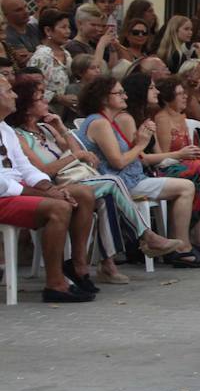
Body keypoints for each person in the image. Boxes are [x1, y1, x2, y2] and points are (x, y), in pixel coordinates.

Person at [8, 73, 182, 285]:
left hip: (77, 179)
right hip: (53, 185)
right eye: (40, 97)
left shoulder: (47, 128)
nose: (46, 101)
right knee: (112, 182)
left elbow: (77, 151)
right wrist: (76, 156)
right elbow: (42, 170)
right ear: (27, 107)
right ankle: (146, 236)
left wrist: (62, 129)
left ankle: (108, 264)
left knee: (107, 196)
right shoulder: (18, 136)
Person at [77, 75, 200, 266]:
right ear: (103, 98)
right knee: (186, 187)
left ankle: (179, 245)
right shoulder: (99, 123)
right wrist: (140, 144)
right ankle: (181, 248)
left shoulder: (108, 121)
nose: (125, 96)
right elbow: (118, 162)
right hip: (121, 182)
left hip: (130, 178)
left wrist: (138, 141)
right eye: (119, 93)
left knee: (189, 183)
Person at [0, 74, 105, 302]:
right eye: (8, 91)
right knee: (59, 208)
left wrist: (49, 188)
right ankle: (55, 283)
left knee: (80, 195)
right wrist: (46, 193)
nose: (14, 95)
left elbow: (26, 169)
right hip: (4, 196)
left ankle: (76, 266)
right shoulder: (12, 130)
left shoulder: (5, 129)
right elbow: (3, 185)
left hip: (15, 191)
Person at [150, 75, 200, 256]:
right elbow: (164, 156)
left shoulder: (181, 117)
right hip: (167, 166)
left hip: (185, 164)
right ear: (168, 98)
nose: (185, 97)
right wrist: (190, 158)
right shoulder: (162, 119)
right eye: (180, 94)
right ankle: (198, 235)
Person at [29, 8, 77, 116]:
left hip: (64, 113)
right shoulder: (42, 55)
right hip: (44, 113)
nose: (68, 31)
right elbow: (32, 88)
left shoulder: (66, 54)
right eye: (63, 27)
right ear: (48, 31)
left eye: (69, 27)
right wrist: (58, 98)